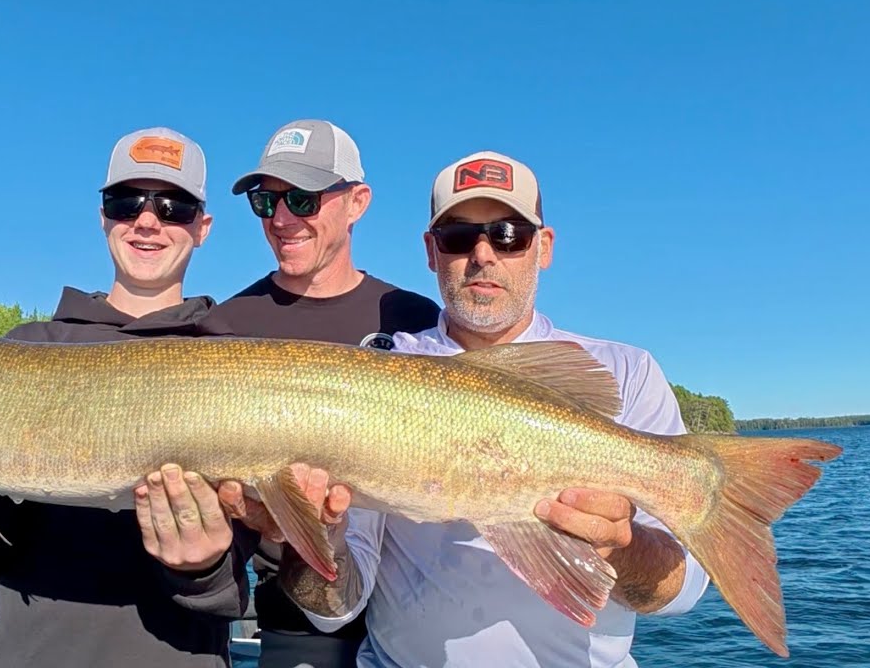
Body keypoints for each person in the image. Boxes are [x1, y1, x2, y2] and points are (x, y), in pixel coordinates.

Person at [230, 150, 711, 667]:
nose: (483, 254)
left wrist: (619, 545)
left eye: (509, 235)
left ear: (544, 247)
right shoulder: (377, 379)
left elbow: (681, 592)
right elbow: (336, 609)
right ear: (431, 251)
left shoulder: (627, 371)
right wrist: (314, 535)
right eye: (458, 236)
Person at [0, 127, 256, 667]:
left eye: (174, 207)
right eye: (126, 203)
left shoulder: (237, 363)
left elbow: (232, 588)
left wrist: (202, 568)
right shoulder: (27, 347)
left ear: (203, 227)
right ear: (103, 217)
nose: (147, 221)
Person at [202, 119, 442, 667]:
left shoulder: (414, 320)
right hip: (297, 627)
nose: (282, 219)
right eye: (266, 201)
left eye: (302, 199)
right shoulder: (224, 329)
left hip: (415, 628)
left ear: (357, 202)